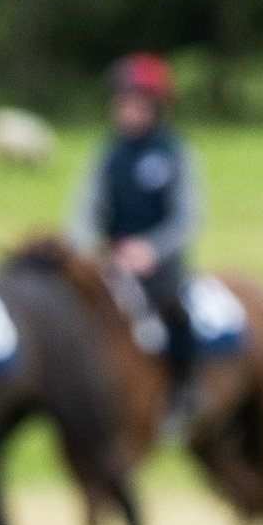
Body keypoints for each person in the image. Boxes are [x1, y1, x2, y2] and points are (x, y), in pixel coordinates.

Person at [68, 53, 203, 409]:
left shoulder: (175, 153)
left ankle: (184, 392)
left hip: (158, 266)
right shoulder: (108, 153)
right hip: (112, 263)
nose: (126, 109)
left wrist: (151, 250)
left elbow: (186, 219)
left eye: (135, 102)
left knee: (177, 314)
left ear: (156, 106)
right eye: (121, 101)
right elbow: (85, 209)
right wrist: (84, 249)